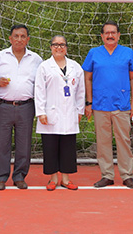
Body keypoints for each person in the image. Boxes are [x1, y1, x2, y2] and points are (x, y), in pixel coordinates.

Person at [83, 21, 133, 188]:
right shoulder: (94, 53)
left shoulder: (127, 53)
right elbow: (87, 78)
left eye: (113, 32)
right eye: (107, 33)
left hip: (122, 105)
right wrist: (88, 102)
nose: (110, 35)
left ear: (118, 35)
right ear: (102, 36)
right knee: (103, 142)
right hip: (100, 105)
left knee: (124, 141)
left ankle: (127, 175)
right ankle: (107, 175)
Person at [0, 24, 42, 190]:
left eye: (23, 36)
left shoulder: (36, 59)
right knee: (0, 143)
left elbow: (41, 84)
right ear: (10, 38)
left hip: (26, 106)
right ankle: (0, 177)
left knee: (24, 143)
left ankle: (20, 176)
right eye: (16, 36)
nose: (19, 39)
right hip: (2, 106)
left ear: (28, 39)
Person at [34, 35, 85, 191]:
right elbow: (39, 90)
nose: (59, 47)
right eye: (55, 44)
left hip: (70, 112)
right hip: (50, 113)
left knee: (68, 146)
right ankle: (53, 178)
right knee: (51, 146)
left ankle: (66, 178)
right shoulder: (44, 66)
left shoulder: (76, 67)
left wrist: (80, 110)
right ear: (50, 47)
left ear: (66, 48)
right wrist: (41, 112)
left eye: (62, 45)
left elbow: (81, 91)